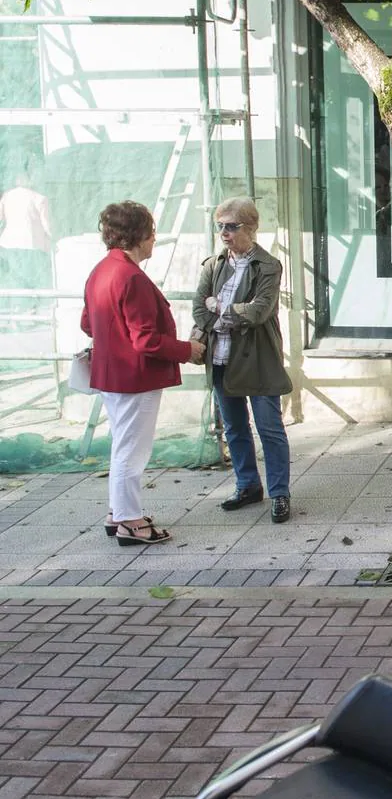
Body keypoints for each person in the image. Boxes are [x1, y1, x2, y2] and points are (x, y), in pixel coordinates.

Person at [81, 201, 206, 545]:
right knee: (132, 452)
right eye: (152, 232)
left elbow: (87, 323)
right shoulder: (132, 276)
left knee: (123, 446)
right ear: (138, 236)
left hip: (111, 376)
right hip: (135, 378)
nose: (154, 239)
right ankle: (130, 523)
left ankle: (118, 513)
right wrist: (188, 350)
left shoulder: (101, 270)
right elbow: (147, 340)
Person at [192, 196, 294, 523]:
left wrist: (219, 307)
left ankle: (279, 493)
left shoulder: (268, 265)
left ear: (250, 228)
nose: (224, 233)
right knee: (234, 428)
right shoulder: (213, 264)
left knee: (270, 427)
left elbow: (259, 311)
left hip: (259, 358)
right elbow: (198, 308)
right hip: (222, 358)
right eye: (220, 226)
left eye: (232, 226)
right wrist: (225, 313)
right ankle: (248, 484)